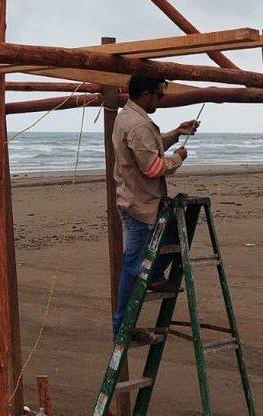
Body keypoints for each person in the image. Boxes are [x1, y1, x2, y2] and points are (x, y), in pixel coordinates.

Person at [111, 75, 199, 337]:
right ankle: (122, 328)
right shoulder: (138, 125)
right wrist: (178, 158)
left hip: (142, 201)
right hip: (139, 205)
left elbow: (150, 147)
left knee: (172, 230)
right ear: (145, 94)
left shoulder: (129, 117)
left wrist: (176, 133)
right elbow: (153, 166)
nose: (160, 100)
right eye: (158, 95)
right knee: (132, 266)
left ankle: (156, 274)